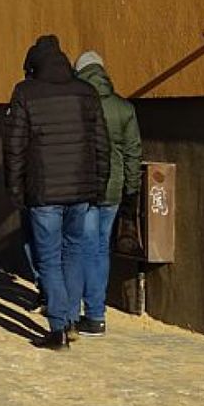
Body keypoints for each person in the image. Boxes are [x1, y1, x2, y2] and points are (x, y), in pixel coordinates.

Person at [2, 34, 110, 350]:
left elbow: (15, 147)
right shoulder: (86, 92)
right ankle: (72, 320)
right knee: (74, 252)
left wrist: (15, 188)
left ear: (32, 66)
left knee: (48, 257)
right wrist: (98, 186)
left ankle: (59, 327)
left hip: (44, 191)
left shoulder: (25, 93)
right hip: (81, 190)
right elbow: (101, 144)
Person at [73, 51, 142, 336]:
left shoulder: (78, 104)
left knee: (84, 248)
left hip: (85, 187)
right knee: (100, 249)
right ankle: (96, 314)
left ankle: (89, 313)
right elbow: (133, 152)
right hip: (113, 190)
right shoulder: (123, 108)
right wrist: (132, 189)